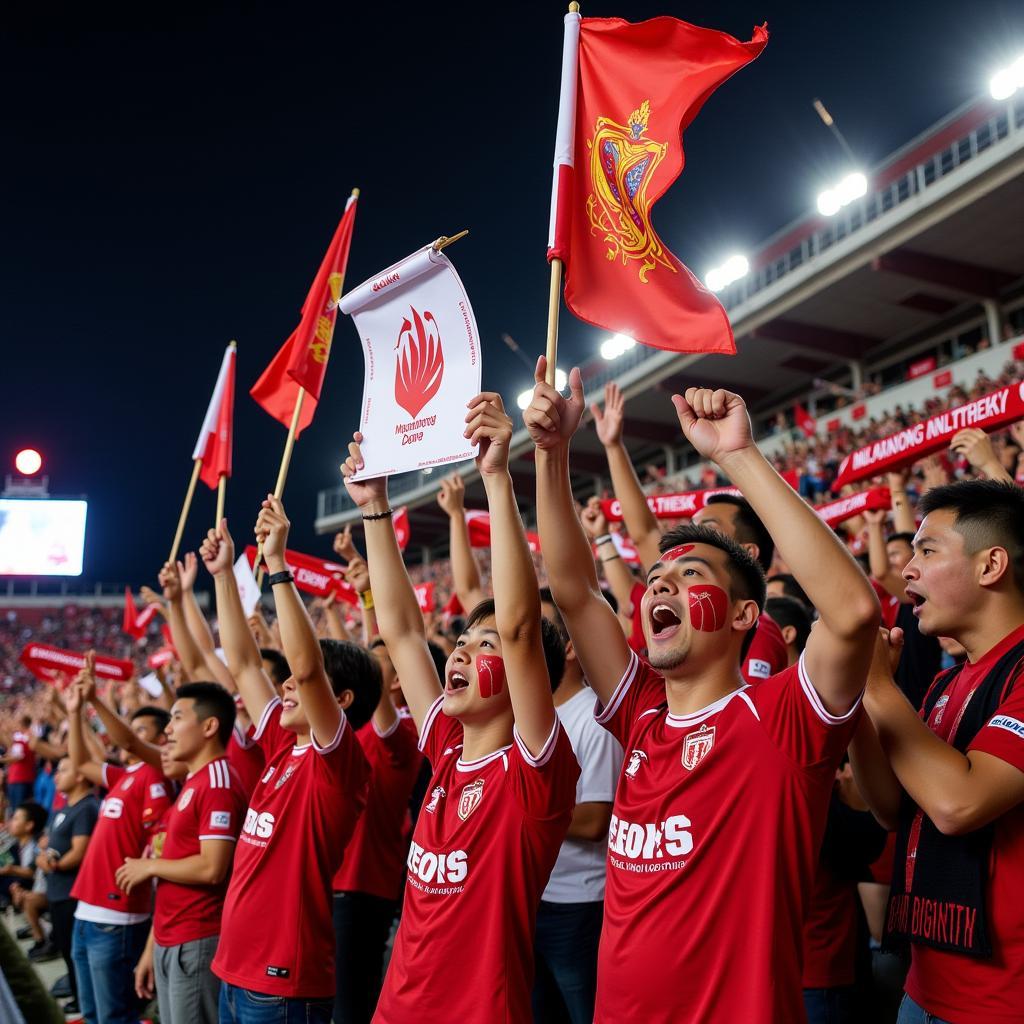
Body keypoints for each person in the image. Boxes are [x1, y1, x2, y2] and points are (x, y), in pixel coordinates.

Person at [527, 367, 878, 1023]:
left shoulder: (782, 719)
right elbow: (573, 589)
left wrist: (737, 456)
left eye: (690, 575)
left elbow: (854, 613)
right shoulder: (640, 713)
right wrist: (552, 454)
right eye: (656, 577)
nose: (660, 586)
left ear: (748, 616)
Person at [343, 391, 580, 1024]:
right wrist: (375, 510)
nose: (463, 654)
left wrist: (497, 477)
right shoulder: (445, 745)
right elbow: (399, 631)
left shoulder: (534, 771)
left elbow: (524, 628)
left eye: (486, 646)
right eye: (464, 642)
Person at [849, 480, 1024, 1024]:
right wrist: (857, 698)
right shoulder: (945, 687)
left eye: (927, 551)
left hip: (1002, 1002)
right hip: (926, 987)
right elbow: (892, 808)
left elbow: (959, 804)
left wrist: (880, 688)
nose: (907, 569)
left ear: (991, 565)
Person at [199, 499, 375, 1024]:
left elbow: (307, 665)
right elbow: (246, 664)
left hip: (282, 985)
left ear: (339, 701)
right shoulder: (281, 743)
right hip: (236, 969)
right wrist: (224, 575)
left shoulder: (338, 760)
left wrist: (277, 565)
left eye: (298, 684)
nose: (286, 686)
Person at [108, 682, 247, 1024]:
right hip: (172, 937)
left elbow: (212, 868)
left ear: (209, 726)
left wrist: (150, 866)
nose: (168, 729)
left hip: (197, 939)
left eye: (177, 717)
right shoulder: (194, 781)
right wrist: (151, 949)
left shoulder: (218, 782)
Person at [330, 549, 423, 1024]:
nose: (371, 662)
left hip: (362, 888)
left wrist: (370, 595)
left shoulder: (403, 732)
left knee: (351, 1007)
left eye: (382, 661)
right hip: (328, 881)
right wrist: (361, 593)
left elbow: (379, 651)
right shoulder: (352, 725)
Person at [67, 656, 173, 1024]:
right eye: (135, 728)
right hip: (88, 910)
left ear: (162, 740)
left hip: (119, 916)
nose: (132, 734)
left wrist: (96, 700)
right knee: (93, 1013)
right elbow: (81, 764)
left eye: (143, 730)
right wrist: (74, 711)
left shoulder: (159, 773)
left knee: (115, 1016)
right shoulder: (127, 774)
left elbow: (125, 738)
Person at [534, 591, 623, 1024]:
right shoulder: (531, 717)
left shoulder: (593, 717)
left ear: (569, 647)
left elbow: (593, 821)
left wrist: (526, 807)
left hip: (578, 905)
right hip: (534, 897)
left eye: (538, 630)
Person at [35, 756, 99, 1017]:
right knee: (65, 946)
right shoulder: (64, 807)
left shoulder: (86, 808)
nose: (56, 776)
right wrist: (45, 857)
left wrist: (53, 864)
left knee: (76, 952)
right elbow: (46, 843)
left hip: (72, 892)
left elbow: (78, 853)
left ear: (81, 775)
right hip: (57, 890)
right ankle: (77, 994)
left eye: (62, 770)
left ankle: (84, 1002)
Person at [2, 716, 38, 813]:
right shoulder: (19, 736)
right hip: (16, 778)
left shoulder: (27, 736)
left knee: (19, 810)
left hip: (21, 779)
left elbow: (17, 757)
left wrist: (2, 760)